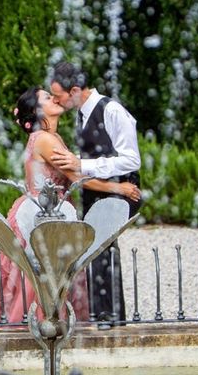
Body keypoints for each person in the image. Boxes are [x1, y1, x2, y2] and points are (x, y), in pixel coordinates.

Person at [0, 86, 141, 324]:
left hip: (49, 211)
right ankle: (34, 326)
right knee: (39, 276)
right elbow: (78, 178)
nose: (55, 98)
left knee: (36, 275)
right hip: (41, 217)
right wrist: (120, 188)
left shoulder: (50, 137)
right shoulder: (46, 139)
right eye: (47, 97)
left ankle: (44, 324)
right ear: (38, 111)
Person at [49, 61, 142, 324]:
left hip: (123, 192)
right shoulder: (82, 113)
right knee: (98, 248)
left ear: (75, 90)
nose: (56, 100)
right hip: (97, 192)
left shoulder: (112, 111)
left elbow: (131, 160)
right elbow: (96, 153)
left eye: (58, 95)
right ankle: (108, 315)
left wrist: (82, 165)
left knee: (103, 247)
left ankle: (108, 316)